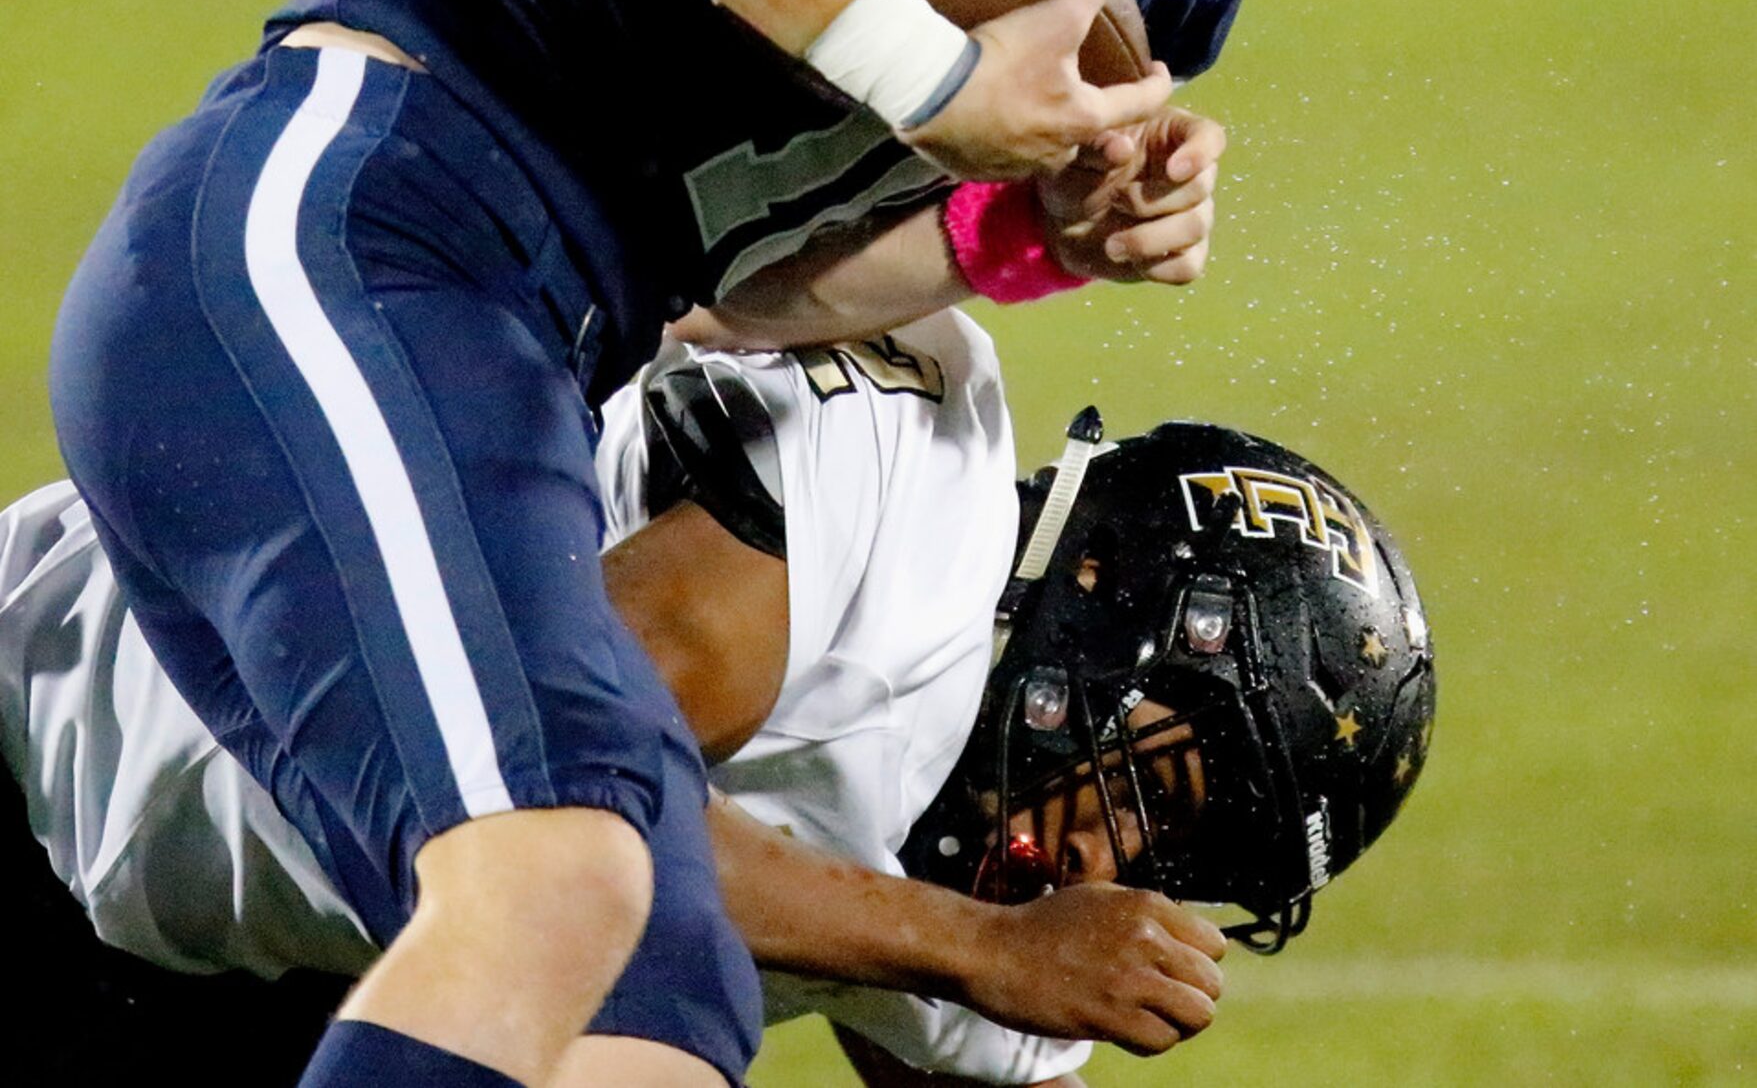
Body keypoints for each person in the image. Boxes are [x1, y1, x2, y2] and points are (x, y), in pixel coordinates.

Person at [45, 0, 1574, 1088]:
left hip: (538, 310)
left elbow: (738, 284)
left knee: (665, 989)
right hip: (366, 197)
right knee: (554, 878)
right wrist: (933, 73)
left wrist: (1019, 219)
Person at [7, 313, 1435, 1085]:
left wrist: (980, 958)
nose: (1100, 871)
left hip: (274, 965)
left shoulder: (991, 877)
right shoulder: (876, 506)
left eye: (1171, 861)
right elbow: (530, 794)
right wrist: (967, 949)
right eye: (1150, 789)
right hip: (53, 742)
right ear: (1110, 606)